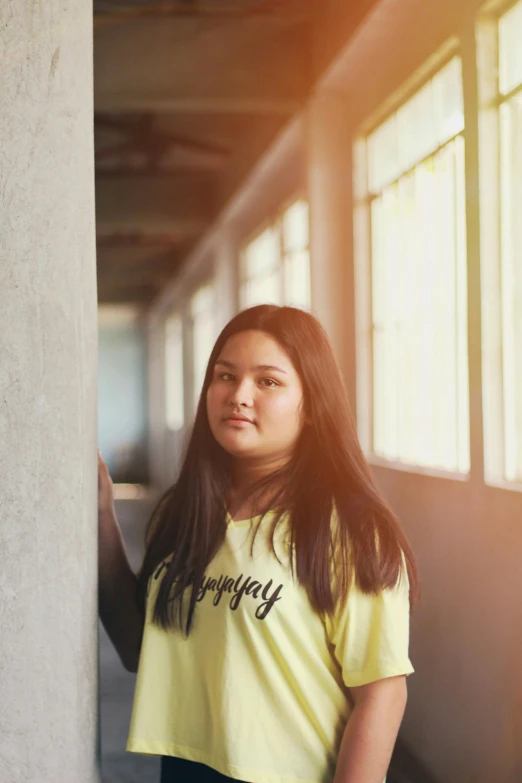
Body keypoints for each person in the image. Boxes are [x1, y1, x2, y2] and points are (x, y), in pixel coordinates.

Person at [98, 304, 419, 783]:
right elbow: (140, 648)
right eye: (225, 376)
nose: (238, 396)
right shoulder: (185, 513)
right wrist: (101, 514)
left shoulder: (349, 531)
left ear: (312, 406)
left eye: (267, 381)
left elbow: (382, 694)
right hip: (186, 769)